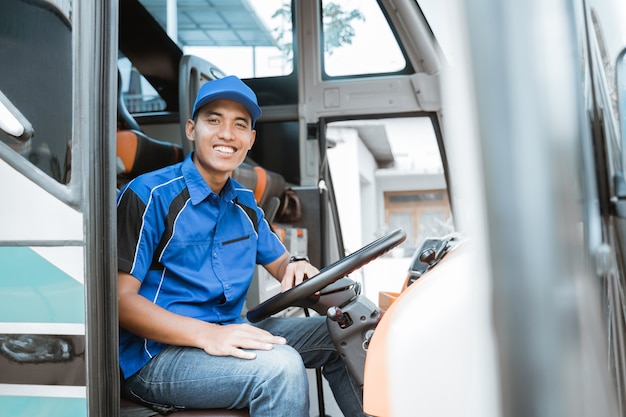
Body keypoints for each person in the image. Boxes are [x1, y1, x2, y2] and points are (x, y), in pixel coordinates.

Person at [116, 75, 364, 416]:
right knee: (280, 368)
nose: (227, 134)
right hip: (157, 356)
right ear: (191, 129)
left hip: (230, 330)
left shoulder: (245, 204)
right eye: (214, 120)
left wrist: (296, 264)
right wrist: (208, 336)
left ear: (250, 139)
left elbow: (282, 263)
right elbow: (120, 301)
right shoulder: (149, 196)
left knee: (342, 335)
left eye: (239, 125)